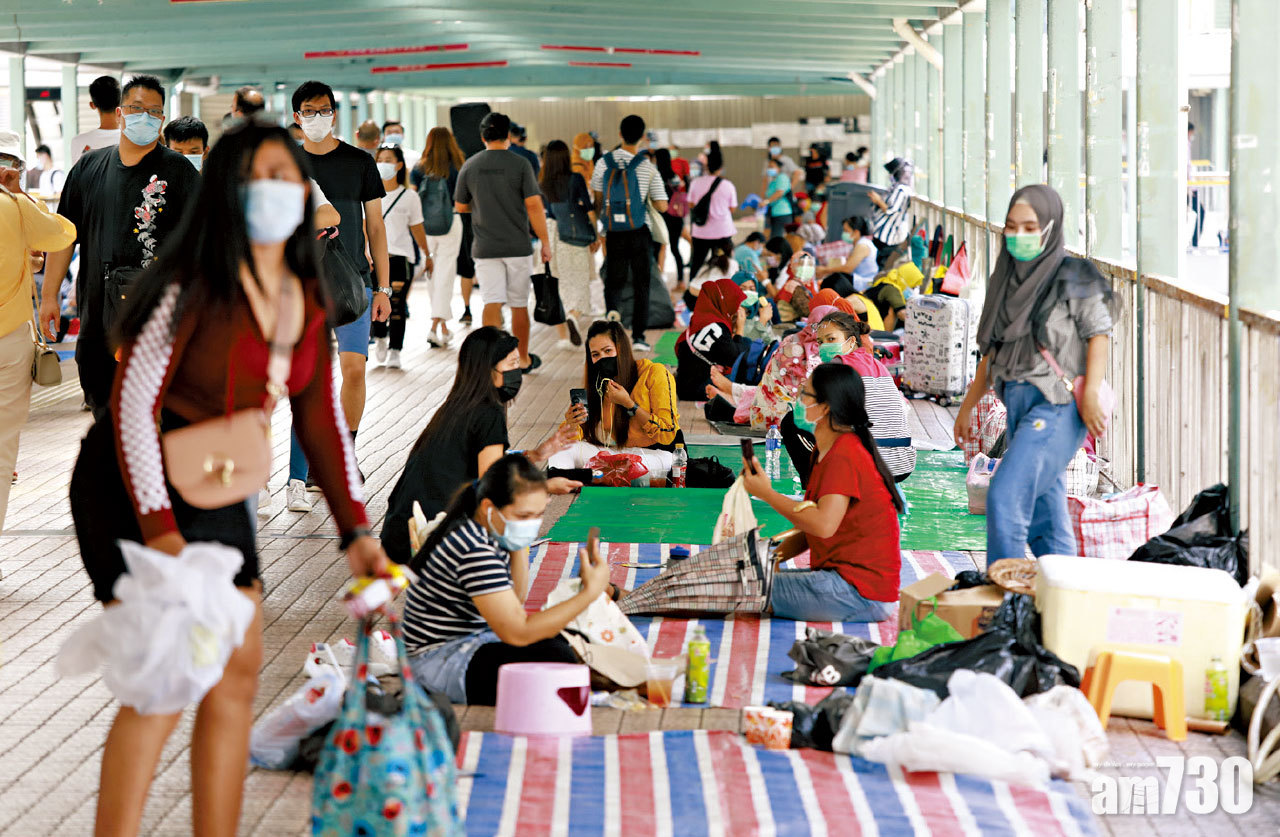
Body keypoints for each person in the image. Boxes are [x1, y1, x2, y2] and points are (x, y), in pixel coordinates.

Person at [68, 117, 388, 836]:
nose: (276, 191)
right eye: (257, 180)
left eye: (286, 177)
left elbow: (321, 422)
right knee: (169, 675)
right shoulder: (187, 286)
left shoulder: (303, 296)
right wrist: (162, 536)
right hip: (131, 479)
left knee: (238, 663)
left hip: (220, 481)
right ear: (224, 195)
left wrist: (357, 529)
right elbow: (132, 410)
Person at [954, 184, 1113, 566]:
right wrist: (968, 405)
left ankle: (1003, 593)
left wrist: (1090, 391)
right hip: (1018, 406)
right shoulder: (1004, 279)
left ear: (1051, 226)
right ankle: (1062, 597)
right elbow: (992, 353)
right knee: (1046, 512)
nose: (1019, 236)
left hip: (1057, 408)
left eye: (1030, 226)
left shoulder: (1073, 275)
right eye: (1011, 226)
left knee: (1005, 494)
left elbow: (1099, 334)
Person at [39, 75, 201, 415]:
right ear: (120, 112)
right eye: (137, 108)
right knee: (104, 411)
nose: (145, 116)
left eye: (155, 111)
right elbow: (65, 236)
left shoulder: (180, 172)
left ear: (161, 120)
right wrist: (50, 295)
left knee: (150, 417)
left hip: (156, 318)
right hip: (96, 316)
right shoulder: (88, 167)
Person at [403, 454, 609, 705]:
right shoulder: (473, 547)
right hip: (439, 664)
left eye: (539, 514)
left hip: (474, 642)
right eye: (524, 516)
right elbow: (517, 633)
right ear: (489, 508)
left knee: (563, 636)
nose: (532, 524)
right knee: (555, 654)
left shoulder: (489, 530)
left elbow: (516, 599)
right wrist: (588, 593)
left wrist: (519, 545)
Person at [381, 326, 580, 564]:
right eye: (512, 364)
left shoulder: (459, 404)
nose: (518, 372)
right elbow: (492, 485)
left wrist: (536, 455)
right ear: (488, 370)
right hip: (431, 533)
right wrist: (545, 486)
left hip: (403, 525)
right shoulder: (489, 412)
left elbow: (485, 465)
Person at [740, 362, 904, 621]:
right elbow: (810, 529)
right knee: (742, 577)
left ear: (825, 407)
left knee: (737, 588)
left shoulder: (844, 454)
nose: (798, 400)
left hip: (860, 594)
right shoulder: (826, 449)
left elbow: (823, 524)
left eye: (805, 394)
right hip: (849, 585)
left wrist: (768, 494)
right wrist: (768, 559)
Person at [291, 79, 391, 484]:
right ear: (297, 117)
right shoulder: (288, 165)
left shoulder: (359, 162)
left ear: (335, 113)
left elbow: (376, 228)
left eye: (325, 109)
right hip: (303, 286)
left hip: (354, 283)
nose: (318, 117)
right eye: (309, 111)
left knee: (354, 369)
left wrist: (383, 288)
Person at [0, 132, 77, 532]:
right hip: (9, 335)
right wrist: (21, 197)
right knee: (2, 446)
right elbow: (62, 233)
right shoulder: (14, 206)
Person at [454, 111, 550, 373]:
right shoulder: (520, 164)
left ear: (483, 136)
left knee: (491, 302)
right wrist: (545, 241)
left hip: (485, 247)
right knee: (519, 304)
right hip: (517, 246)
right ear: (508, 135)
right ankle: (523, 359)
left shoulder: (470, 165)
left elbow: (461, 206)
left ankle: (493, 362)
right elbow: (533, 205)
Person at [779, 312, 914, 485]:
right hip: (902, 463)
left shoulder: (836, 366)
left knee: (791, 422)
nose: (824, 346)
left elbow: (803, 413)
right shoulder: (878, 365)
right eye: (820, 342)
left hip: (867, 464)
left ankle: (816, 489)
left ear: (850, 341)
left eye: (831, 339)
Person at [552, 320, 681, 478]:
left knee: (626, 465)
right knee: (561, 448)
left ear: (621, 350)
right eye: (595, 355)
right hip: (619, 453)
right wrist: (572, 424)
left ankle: (582, 476)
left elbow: (667, 433)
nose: (602, 358)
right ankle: (573, 478)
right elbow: (578, 439)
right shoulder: (601, 383)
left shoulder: (654, 372)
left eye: (608, 351)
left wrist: (630, 405)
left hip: (659, 456)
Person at [591, 114, 668, 353]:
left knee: (613, 281)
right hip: (638, 232)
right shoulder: (647, 166)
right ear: (643, 137)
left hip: (613, 232)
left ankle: (612, 330)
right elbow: (662, 205)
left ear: (620, 134)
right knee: (641, 284)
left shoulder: (603, 163)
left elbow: (597, 197)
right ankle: (639, 336)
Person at [370, 145, 430, 369]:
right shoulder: (369, 194)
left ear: (398, 165)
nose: (383, 163)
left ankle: (396, 349)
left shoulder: (409, 196)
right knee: (375, 303)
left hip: (399, 258)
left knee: (397, 304)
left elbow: (417, 228)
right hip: (374, 259)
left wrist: (427, 252)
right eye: (380, 159)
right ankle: (381, 337)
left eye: (388, 159)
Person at [539, 138, 598, 348]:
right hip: (575, 234)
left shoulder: (542, 183)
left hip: (552, 236)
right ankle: (574, 314)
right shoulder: (575, 179)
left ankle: (563, 337)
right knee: (580, 280)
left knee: (560, 285)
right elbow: (589, 211)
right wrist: (596, 235)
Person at [412, 126, 466, 347]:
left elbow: (414, 197)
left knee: (433, 274)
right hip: (451, 221)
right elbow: (464, 200)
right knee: (446, 274)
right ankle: (435, 326)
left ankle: (442, 326)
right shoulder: (459, 167)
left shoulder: (418, 168)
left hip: (425, 225)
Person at [674, 277, 747, 402]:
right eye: (735, 302)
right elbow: (737, 358)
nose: (737, 307)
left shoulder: (703, 320)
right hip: (699, 389)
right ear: (725, 300)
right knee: (748, 375)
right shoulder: (716, 328)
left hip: (684, 387)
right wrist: (740, 329)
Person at [685, 145, 738, 282]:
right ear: (721, 167)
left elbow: (691, 204)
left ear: (707, 166)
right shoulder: (728, 185)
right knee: (725, 264)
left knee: (696, 264)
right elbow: (732, 208)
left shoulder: (696, 183)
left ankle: (692, 294)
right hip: (722, 231)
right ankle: (724, 292)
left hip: (700, 232)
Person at [652, 148, 687, 288]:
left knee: (656, 249)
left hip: (661, 218)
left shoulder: (655, 176)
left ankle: (657, 280)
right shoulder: (674, 177)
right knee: (675, 249)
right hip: (676, 218)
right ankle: (681, 281)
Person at [869, 157, 914, 268]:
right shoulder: (896, 188)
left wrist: (878, 200)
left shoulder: (901, 190)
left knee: (884, 266)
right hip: (883, 235)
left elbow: (891, 210)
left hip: (888, 237)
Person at [816, 215, 878, 290]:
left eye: (846, 231)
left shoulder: (863, 246)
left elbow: (848, 268)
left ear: (856, 232)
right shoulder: (856, 245)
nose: (844, 233)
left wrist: (825, 270)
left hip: (864, 283)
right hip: (855, 279)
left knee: (832, 281)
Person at [70, 75, 121, 164]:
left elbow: (77, 176)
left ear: (92, 105)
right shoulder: (133, 141)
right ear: (121, 102)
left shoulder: (78, 142)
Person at [686, 242, 738, 310]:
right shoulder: (733, 263)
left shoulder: (711, 260)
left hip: (690, 296)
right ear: (731, 251)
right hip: (705, 300)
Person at [762, 154, 796, 240]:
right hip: (774, 213)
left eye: (772, 166)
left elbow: (779, 192)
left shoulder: (782, 177)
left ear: (779, 168)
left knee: (778, 239)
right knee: (773, 238)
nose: (769, 169)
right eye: (768, 167)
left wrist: (766, 202)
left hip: (782, 213)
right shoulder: (773, 180)